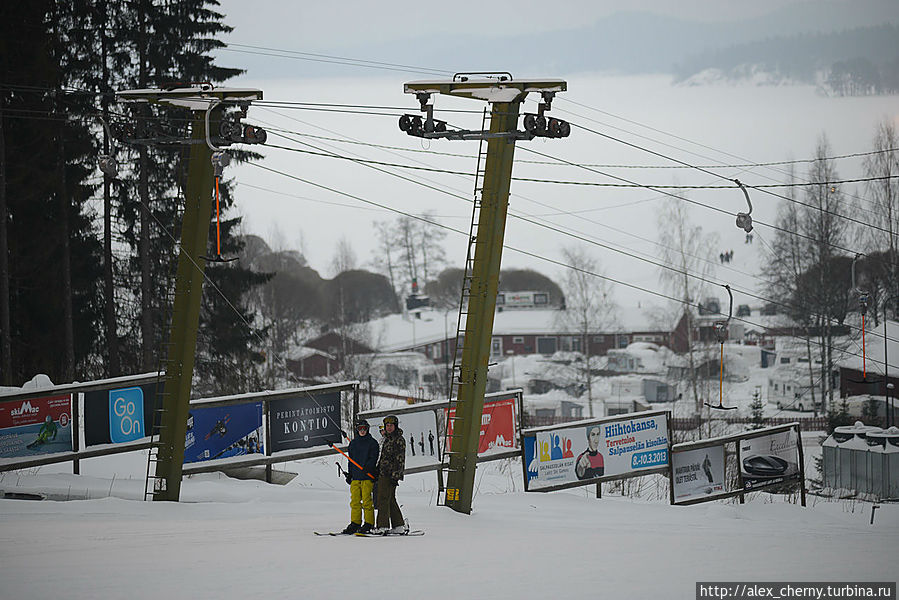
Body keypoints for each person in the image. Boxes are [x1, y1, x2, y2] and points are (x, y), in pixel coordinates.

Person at [340, 419, 379, 535]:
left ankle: (369, 523)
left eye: (364, 428)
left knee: (367, 501)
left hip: (366, 477)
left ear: (368, 429)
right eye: (360, 429)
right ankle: (355, 523)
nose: (362, 431)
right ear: (357, 430)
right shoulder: (353, 443)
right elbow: (351, 461)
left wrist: (369, 467)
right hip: (356, 477)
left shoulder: (372, 443)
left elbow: (374, 457)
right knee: (355, 501)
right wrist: (350, 474)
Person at [373, 415, 407, 534]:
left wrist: (396, 475)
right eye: (387, 426)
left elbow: (400, 459)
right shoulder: (387, 439)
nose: (389, 428)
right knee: (390, 499)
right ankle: (398, 525)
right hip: (383, 472)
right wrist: (378, 468)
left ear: (395, 426)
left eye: (391, 425)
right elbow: (384, 457)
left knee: (382, 498)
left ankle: (382, 526)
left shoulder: (398, 439)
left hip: (391, 474)